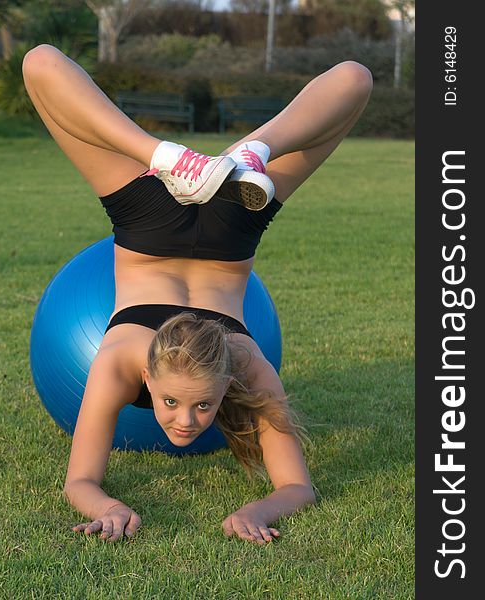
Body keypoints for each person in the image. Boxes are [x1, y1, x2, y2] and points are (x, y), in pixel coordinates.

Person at [22, 44, 373, 545]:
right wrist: (267, 503)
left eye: (201, 406)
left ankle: (164, 156)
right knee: (355, 78)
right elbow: (297, 486)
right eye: (174, 401)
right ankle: (246, 152)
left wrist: (109, 504)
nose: (185, 421)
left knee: (39, 67)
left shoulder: (125, 362)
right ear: (147, 374)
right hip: (227, 229)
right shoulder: (241, 363)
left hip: (152, 224)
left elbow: (80, 482)